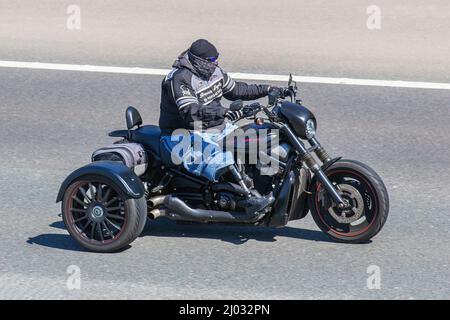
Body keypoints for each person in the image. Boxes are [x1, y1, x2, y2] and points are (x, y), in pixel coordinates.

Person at [159, 39, 281, 213]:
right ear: (199, 61)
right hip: (183, 135)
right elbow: (190, 111)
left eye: (216, 59)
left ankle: (262, 189)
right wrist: (223, 112)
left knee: (259, 143)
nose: (215, 64)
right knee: (225, 160)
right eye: (212, 61)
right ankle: (247, 201)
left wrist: (268, 89)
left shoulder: (214, 72)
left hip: (216, 129)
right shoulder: (179, 78)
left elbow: (237, 90)